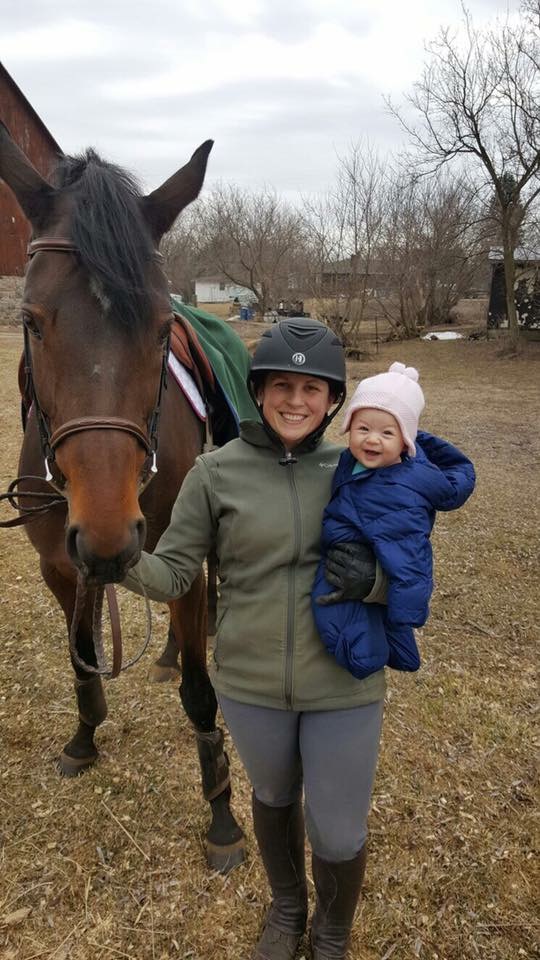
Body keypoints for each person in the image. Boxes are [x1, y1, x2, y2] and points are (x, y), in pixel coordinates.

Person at [121, 320, 451, 960]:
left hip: (344, 680)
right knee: (272, 798)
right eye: (280, 385)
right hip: (250, 682)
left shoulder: (364, 469)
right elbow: (175, 573)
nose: (295, 401)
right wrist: (121, 559)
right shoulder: (215, 473)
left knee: (337, 826)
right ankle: (287, 907)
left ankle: (330, 930)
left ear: (334, 402)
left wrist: (375, 582)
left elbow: (411, 564)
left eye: (312, 388)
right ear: (259, 391)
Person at [312, 362, 476, 682]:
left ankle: (369, 657)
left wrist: (406, 611)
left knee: (333, 614)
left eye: (387, 433)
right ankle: (396, 647)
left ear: (405, 441)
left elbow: (409, 554)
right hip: (350, 548)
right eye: (363, 429)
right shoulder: (352, 461)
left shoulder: (399, 488)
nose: (372, 440)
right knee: (364, 617)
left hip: (355, 561)